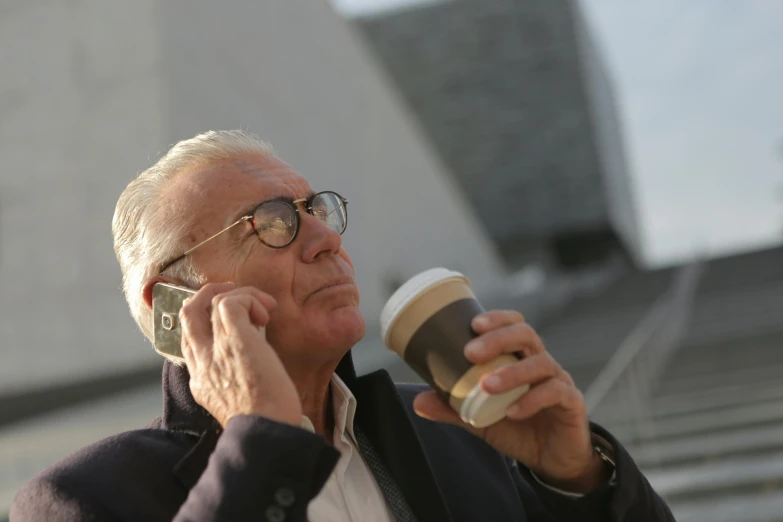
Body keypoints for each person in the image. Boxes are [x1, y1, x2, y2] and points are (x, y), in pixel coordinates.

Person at [11, 130, 674, 522]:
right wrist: (259, 450)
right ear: (175, 301)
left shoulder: (463, 431)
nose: (327, 239)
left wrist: (577, 482)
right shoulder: (74, 499)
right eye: (273, 221)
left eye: (318, 209)